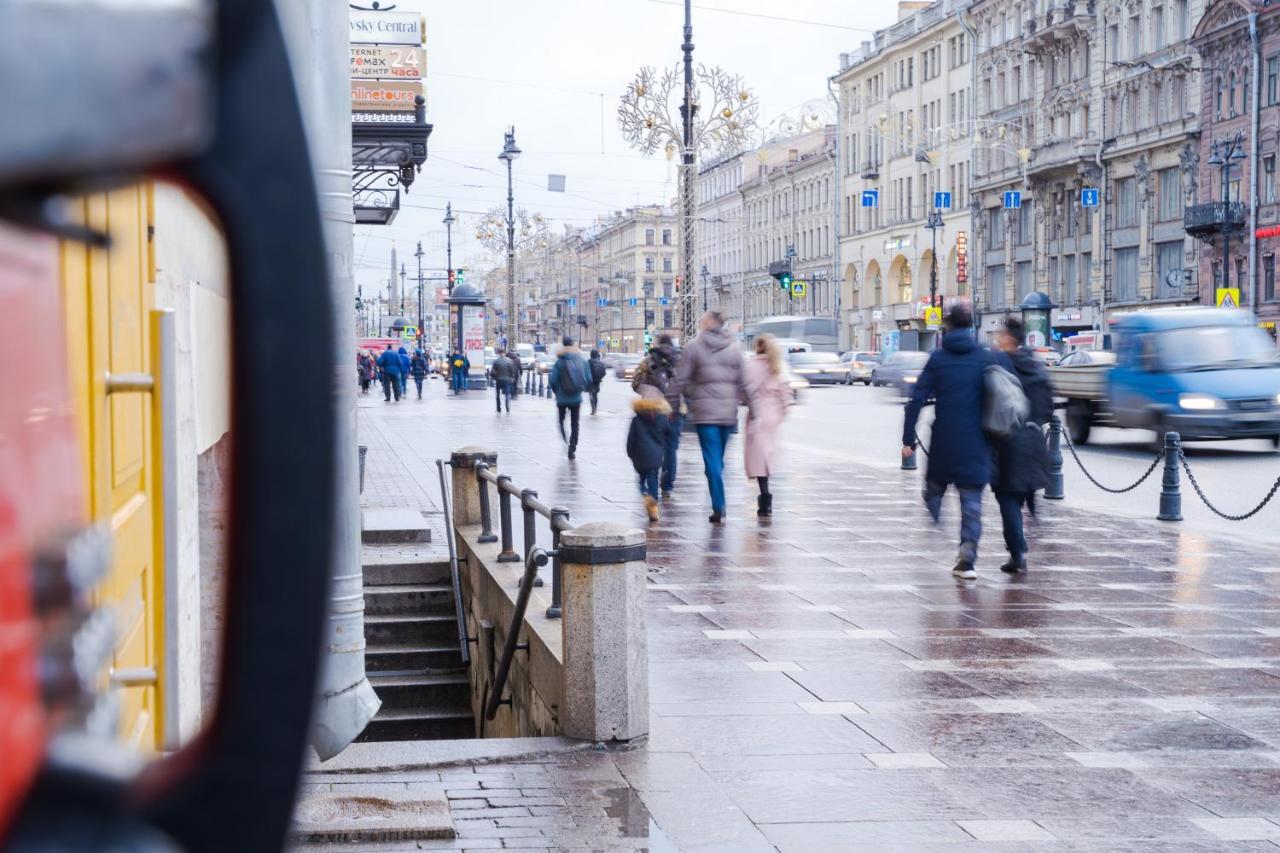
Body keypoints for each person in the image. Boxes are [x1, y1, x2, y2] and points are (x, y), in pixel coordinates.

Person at [902, 303, 992, 580]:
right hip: (977, 441)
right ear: (971, 326)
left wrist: (908, 439)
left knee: (933, 488)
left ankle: (936, 517)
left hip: (944, 441)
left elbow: (916, 400)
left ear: (948, 327)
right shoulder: (984, 357)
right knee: (972, 504)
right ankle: (967, 560)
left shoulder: (938, 358)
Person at [991, 316, 1052, 574]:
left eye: (999, 336)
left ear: (1008, 339)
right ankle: (1031, 522)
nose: (997, 340)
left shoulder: (1002, 367)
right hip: (1035, 439)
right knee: (1022, 490)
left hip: (1009, 442)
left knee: (1007, 497)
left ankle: (1017, 553)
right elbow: (1048, 406)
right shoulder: (1036, 366)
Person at [672, 311, 744, 524]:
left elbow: (681, 378)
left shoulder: (694, 346)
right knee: (718, 460)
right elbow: (745, 380)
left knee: (712, 461)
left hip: (705, 413)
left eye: (703, 320)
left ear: (711, 322)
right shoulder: (734, 348)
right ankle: (717, 499)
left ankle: (718, 505)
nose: (701, 323)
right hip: (729, 414)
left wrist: (670, 402)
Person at [742, 334, 791, 518]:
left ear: (757, 347)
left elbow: (744, 390)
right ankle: (765, 497)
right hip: (773, 416)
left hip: (757, 415)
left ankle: (765, 498)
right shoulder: (777, 366)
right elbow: (786, 394)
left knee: (759, 459)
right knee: (767, 456)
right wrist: (781, 414)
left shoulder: (750, 365)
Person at [636, 334, 683, 496]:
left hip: (654, 408)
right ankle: (668, 486)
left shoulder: (649, 360)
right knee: (671, 448)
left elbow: (635, 383)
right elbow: (688, 386)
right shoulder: (681, 360)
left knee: (653, 445)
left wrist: (647, 391)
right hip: (676, 410)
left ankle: (652, 481)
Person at [627, 385, 671, 524]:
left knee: (641, 479)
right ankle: (654, 505)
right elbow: (669, 434)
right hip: (656, 456)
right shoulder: (662, 419)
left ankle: (645, 493)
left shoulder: (636, 420)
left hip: (639, 456)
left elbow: (630, 440)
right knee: (653, 478)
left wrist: (631, 454)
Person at [548, 336, 592, 460]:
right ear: (573, 345)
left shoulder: (559, 361)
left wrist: (557, 391)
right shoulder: (581, 360)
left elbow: (552, 380)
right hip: (576, 398)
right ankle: (572, 448)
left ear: (562, 345)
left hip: (562, 399)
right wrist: (580, 389)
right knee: (575, 423)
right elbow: (589, 379)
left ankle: (565, 441)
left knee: (561, 421)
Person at [491, 348, 518, 413]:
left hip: (499, 380)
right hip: (507, 380)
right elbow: (513, 371)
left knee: (497, 395)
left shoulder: (496, 362)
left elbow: (492, 372)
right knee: (507, 393)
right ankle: (507, 405)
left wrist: (495, 378)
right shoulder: (509, 361)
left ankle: (498, 408)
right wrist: (512, 378)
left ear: (499, 354)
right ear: (505, 353)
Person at [587, 349, 607, 415]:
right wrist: (599, 378)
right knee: (595, 395)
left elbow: (585, 371)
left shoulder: (588, 362)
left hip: (590, 381)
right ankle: (595, 408)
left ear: (591, 355)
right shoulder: (600, 362)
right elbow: (604, 372)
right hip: (597, 381)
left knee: (591, 394)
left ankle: (593, 409)